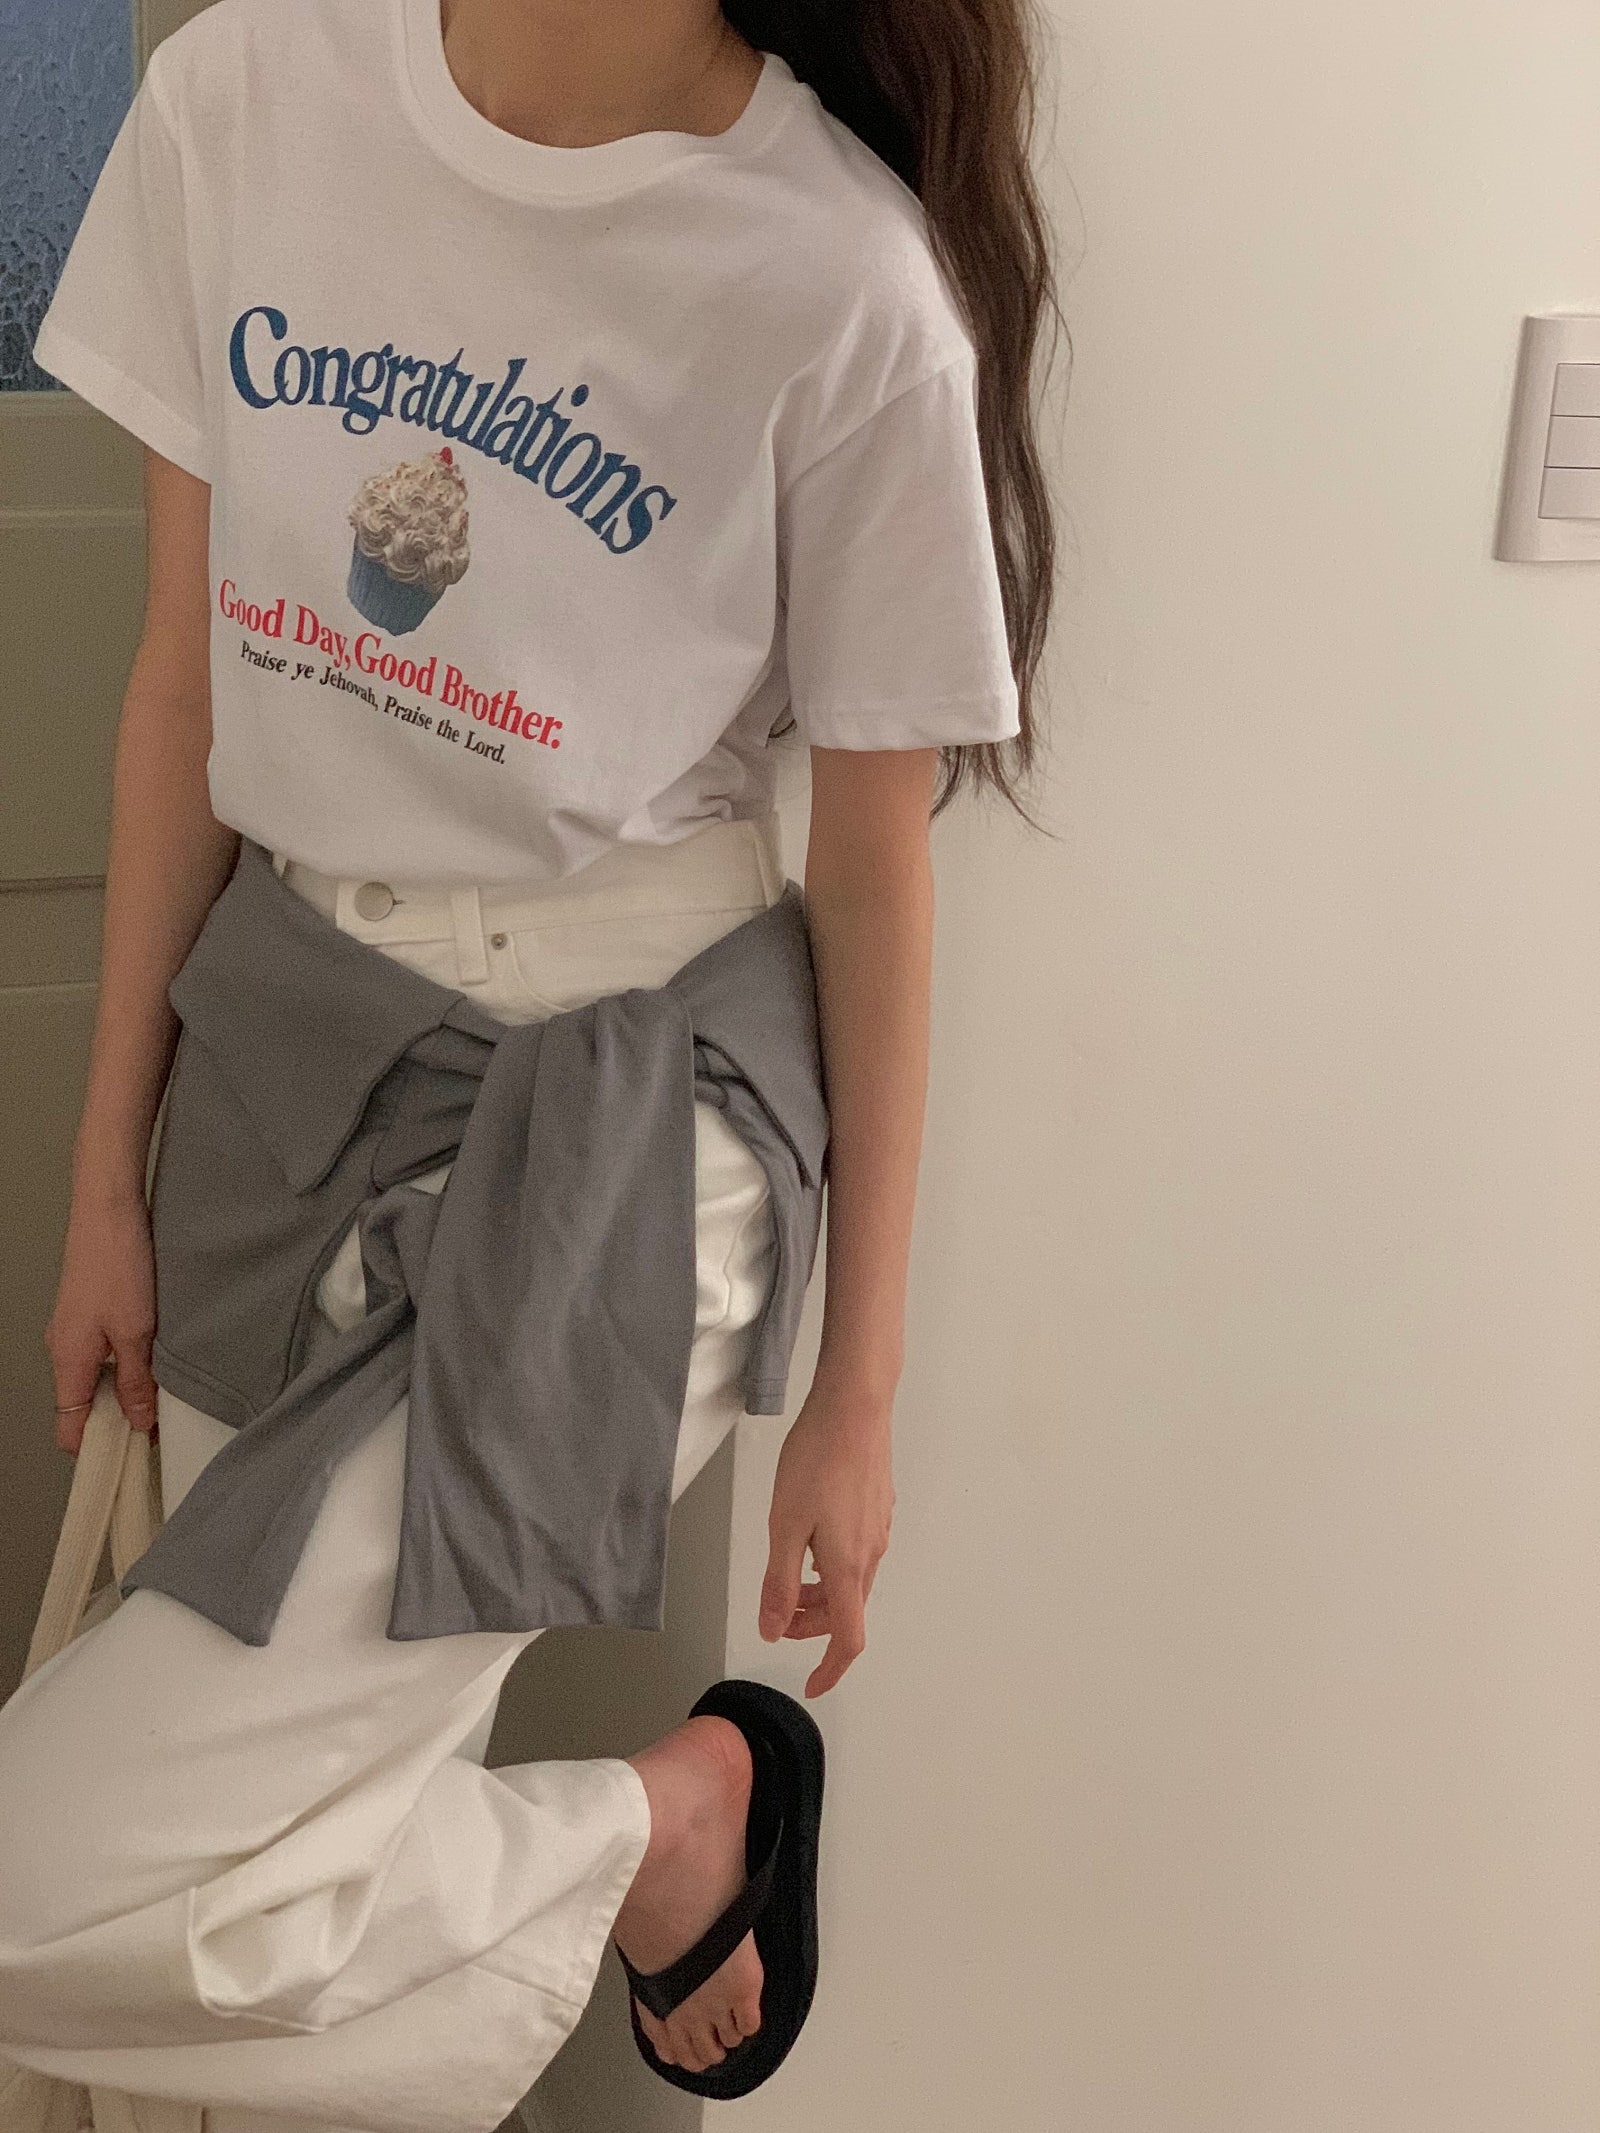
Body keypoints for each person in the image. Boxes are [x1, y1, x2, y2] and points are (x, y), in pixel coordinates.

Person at [0, 0, 1060, 2124]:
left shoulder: (836, 279)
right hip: (289, 1050)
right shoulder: (245, 98)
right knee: (257, 1858)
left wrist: (856, 1392)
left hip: (619, 1125)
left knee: (49, 1886)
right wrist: (107, 1172)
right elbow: (182, 682)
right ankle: (657, 1840)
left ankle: (661, 1824)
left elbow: (872, 881)